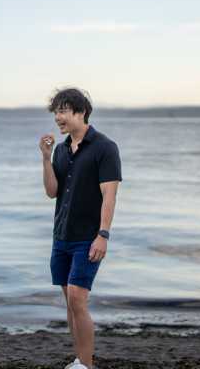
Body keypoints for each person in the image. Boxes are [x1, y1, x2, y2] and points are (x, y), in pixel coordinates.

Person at [39, 88, 121, 369]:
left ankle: (85, 364)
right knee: (70, 302)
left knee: (77, 298)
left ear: (81, 112)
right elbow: (52, 192)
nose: (58, 117)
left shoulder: (105, 147)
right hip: (61, 236)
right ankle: (80, 359)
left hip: (88, 237)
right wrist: (46, 157)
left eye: (63, 111)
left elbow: (109, 195)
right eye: (56, 112)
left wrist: (103, 234)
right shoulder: (61, 150)